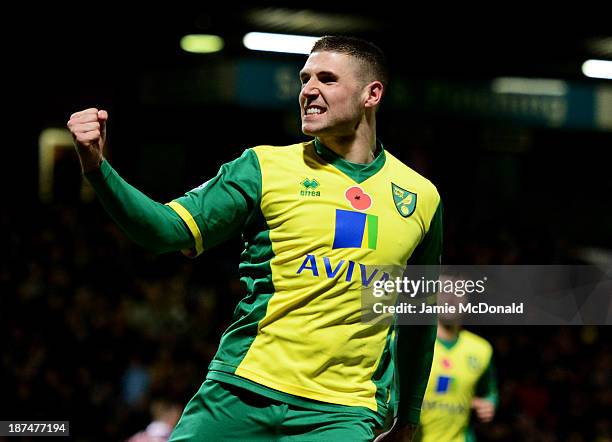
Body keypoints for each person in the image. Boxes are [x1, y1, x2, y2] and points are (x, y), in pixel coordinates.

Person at [67, 35, 443, 441]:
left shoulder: (420, 196)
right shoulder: (263, 167)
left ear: (372, 94)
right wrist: (96, 168)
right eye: (305, 79)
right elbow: (164, 231)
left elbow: (418, 316)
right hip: (240, 391)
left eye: (327, 79)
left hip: (343, 413)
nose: (309, 90)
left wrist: (408, 417)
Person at [415, 275, 498, 442]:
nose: (451, 298)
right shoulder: (412, 344)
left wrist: (488, 404)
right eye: (445, 291)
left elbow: (489, 392)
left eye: (458, 292)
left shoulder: (481, 349)